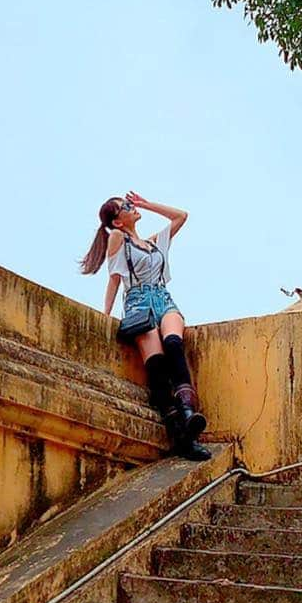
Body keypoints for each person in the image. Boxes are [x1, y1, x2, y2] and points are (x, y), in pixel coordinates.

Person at [80, 191, 210, 461]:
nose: (131, 207)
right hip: (138, 303)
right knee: (157, 364)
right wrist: (105, 314)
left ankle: (188, 413)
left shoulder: (152, 244)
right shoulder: (118, 238)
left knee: (174, 343)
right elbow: (114, 279)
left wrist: (145, 205)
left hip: (163, 298)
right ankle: (181, 434)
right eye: (125, 207)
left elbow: (181, 216)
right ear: (117, 221)